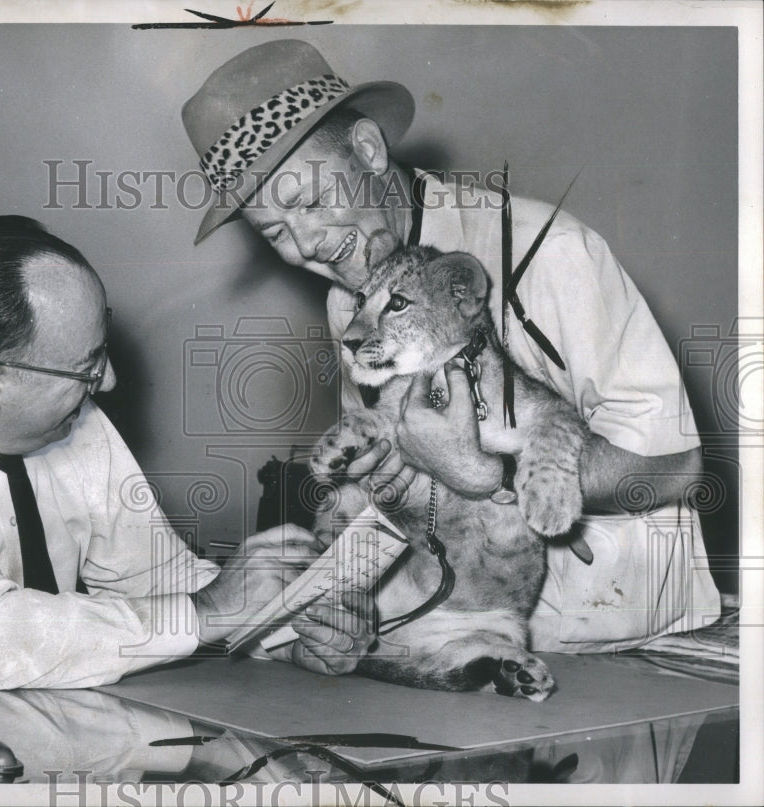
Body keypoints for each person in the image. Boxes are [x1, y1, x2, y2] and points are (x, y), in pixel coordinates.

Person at [183, 39, 721, 653]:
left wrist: (484, 472)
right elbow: (393, 482)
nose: (306, 243)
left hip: (617, 639)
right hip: (461, 631)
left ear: (367, 150)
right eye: (275, 231)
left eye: (311, 200)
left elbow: (678, 470)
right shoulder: (348, 300)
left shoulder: (549, 251)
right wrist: (338, 604)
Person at [0, 215, 372, 689]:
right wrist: (210, 611)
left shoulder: (69, 415)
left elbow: (157, 576)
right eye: (88, 367)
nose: (109, 381)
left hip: (16, 709)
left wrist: (284, 629)